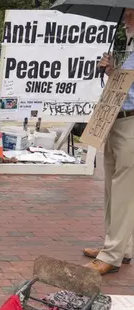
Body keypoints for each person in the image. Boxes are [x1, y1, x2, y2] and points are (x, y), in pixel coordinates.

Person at [83, 8, 134, 275]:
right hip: (116, 117)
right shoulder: (128, 45)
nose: (127, 18)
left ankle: (112, 254)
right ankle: (117, 247)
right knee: (112, 187)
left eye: (132, 13)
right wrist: (111, 71)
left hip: (131, 122)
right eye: (126, 13)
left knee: (125, 189)